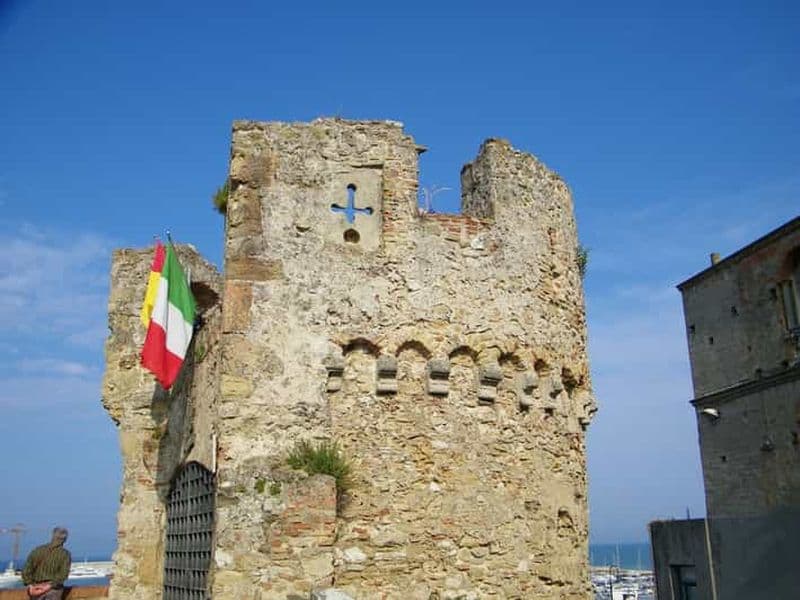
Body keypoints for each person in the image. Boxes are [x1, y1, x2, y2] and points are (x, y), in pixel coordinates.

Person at [21, 527, 71, 599]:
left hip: (35, 588)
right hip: (53, 590)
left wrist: (30, 585)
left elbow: (26, 570)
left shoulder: (37, 550)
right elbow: (63, 575)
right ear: (65, 539)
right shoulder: (65, 554)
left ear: (53, 536)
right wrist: (48, 587)